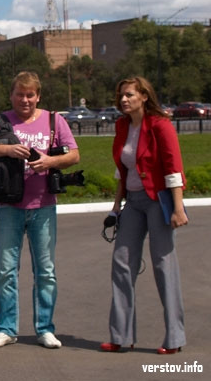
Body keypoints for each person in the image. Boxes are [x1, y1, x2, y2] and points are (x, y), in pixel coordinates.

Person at [0, 71, 80, 349]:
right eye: (20, 94)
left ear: (38, 96)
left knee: (46, 271)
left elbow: (74, 155)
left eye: (30, 94)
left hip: (43, 206)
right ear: (12, 95)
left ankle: (45, 329)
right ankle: (7, 328)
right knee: (6, 270)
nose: (25, 99)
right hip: (9, 207)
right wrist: (7, 151)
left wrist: (49, 162)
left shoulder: (55, 120)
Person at [102, 76, 187, 355]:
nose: (123, 100)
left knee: (164, 266)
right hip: (133, 202)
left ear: (144, 96)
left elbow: (173, 167)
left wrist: (177, 208)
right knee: (122, 263)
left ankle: (174, 338)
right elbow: (121, 170)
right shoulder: (122, 126)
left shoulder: (160, 126)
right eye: (121, 96)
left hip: (158, 200)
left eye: (129, 95)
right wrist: (116, 206)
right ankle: (121, 336)